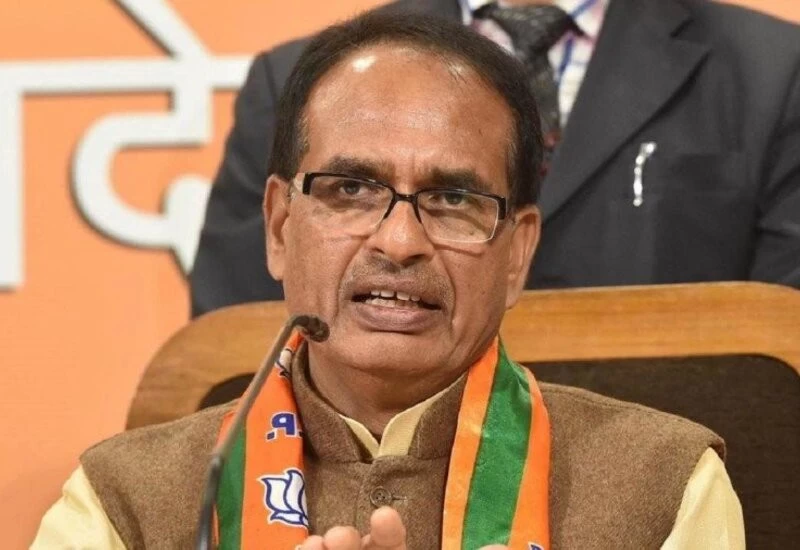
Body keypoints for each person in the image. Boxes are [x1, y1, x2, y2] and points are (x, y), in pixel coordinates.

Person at [32, 13, 744, 549]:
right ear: (279, 226)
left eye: (454, 199)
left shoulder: (664, 486)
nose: (399, 242)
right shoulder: (125, 501)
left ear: (517, 252)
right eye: (350, 189)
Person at [190, 0, 800, 317]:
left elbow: (780, 351)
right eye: (354, 190)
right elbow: (232, 338)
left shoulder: (772, 72)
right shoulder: (305, 78)